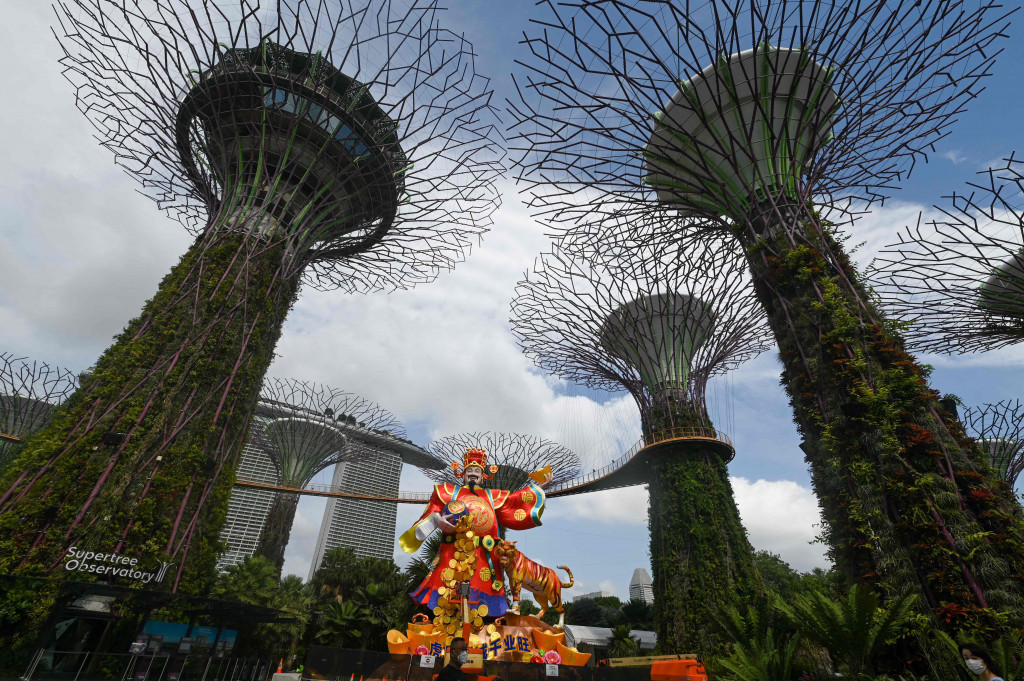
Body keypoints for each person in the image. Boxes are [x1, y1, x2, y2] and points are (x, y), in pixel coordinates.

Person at [399, 447, 550, 617]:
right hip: (453, 555)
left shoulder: (493, 496)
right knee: (447, 599)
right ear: (462, 474)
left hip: (484, 557)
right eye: (469, 470)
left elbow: (515, 501)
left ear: (484, 476)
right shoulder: (448, 493)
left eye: (477, 470)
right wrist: (437, 520)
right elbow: (430, 513)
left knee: (482, 604)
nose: (473, 473)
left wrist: (538, 489)